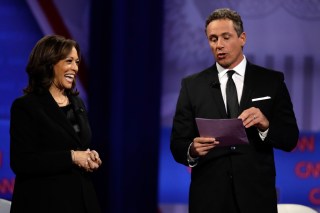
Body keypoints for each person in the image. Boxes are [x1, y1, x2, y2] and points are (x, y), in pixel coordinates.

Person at [170, 8, 299, 213]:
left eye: (225, 37)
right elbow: (177, 143)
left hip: (256, 198)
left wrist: (265, 125)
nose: (219, 45)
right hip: (209, 199)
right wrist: (192, 150)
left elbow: (290, 138)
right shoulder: (192, 86)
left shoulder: (270, 81)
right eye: (213, 39)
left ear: (242, 38)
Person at [10, 35, 102, 213]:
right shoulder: (26, 107)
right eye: (69, 61)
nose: (75, 68)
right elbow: (22, 162)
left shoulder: (78, 104)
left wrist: (88, 157)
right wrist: (73, 157)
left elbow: (76, 144)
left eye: (77, 62)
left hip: (82, 202)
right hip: (44, 202)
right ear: (50, 63)